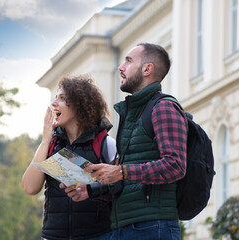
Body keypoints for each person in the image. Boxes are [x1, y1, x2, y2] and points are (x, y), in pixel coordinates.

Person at [64, 43, 188, 240]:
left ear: (147, 69)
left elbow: (175, 166)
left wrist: (121, 171)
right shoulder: (132, 114)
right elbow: (125, 180)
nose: (121, 67)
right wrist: (89, 190)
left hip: (153, 227)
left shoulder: (164, 108)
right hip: (125, 227)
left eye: (128, 61)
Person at [22, 75, 117, 240]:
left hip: (98, 235)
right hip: (54, 236)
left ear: (80, 105)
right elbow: (30, 188)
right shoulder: (49, 145)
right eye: (55, 97)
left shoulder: (106, 144)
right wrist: (45, 140)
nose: (54, 103)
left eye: (62, 98)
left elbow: (120, 187)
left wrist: (92, 187)